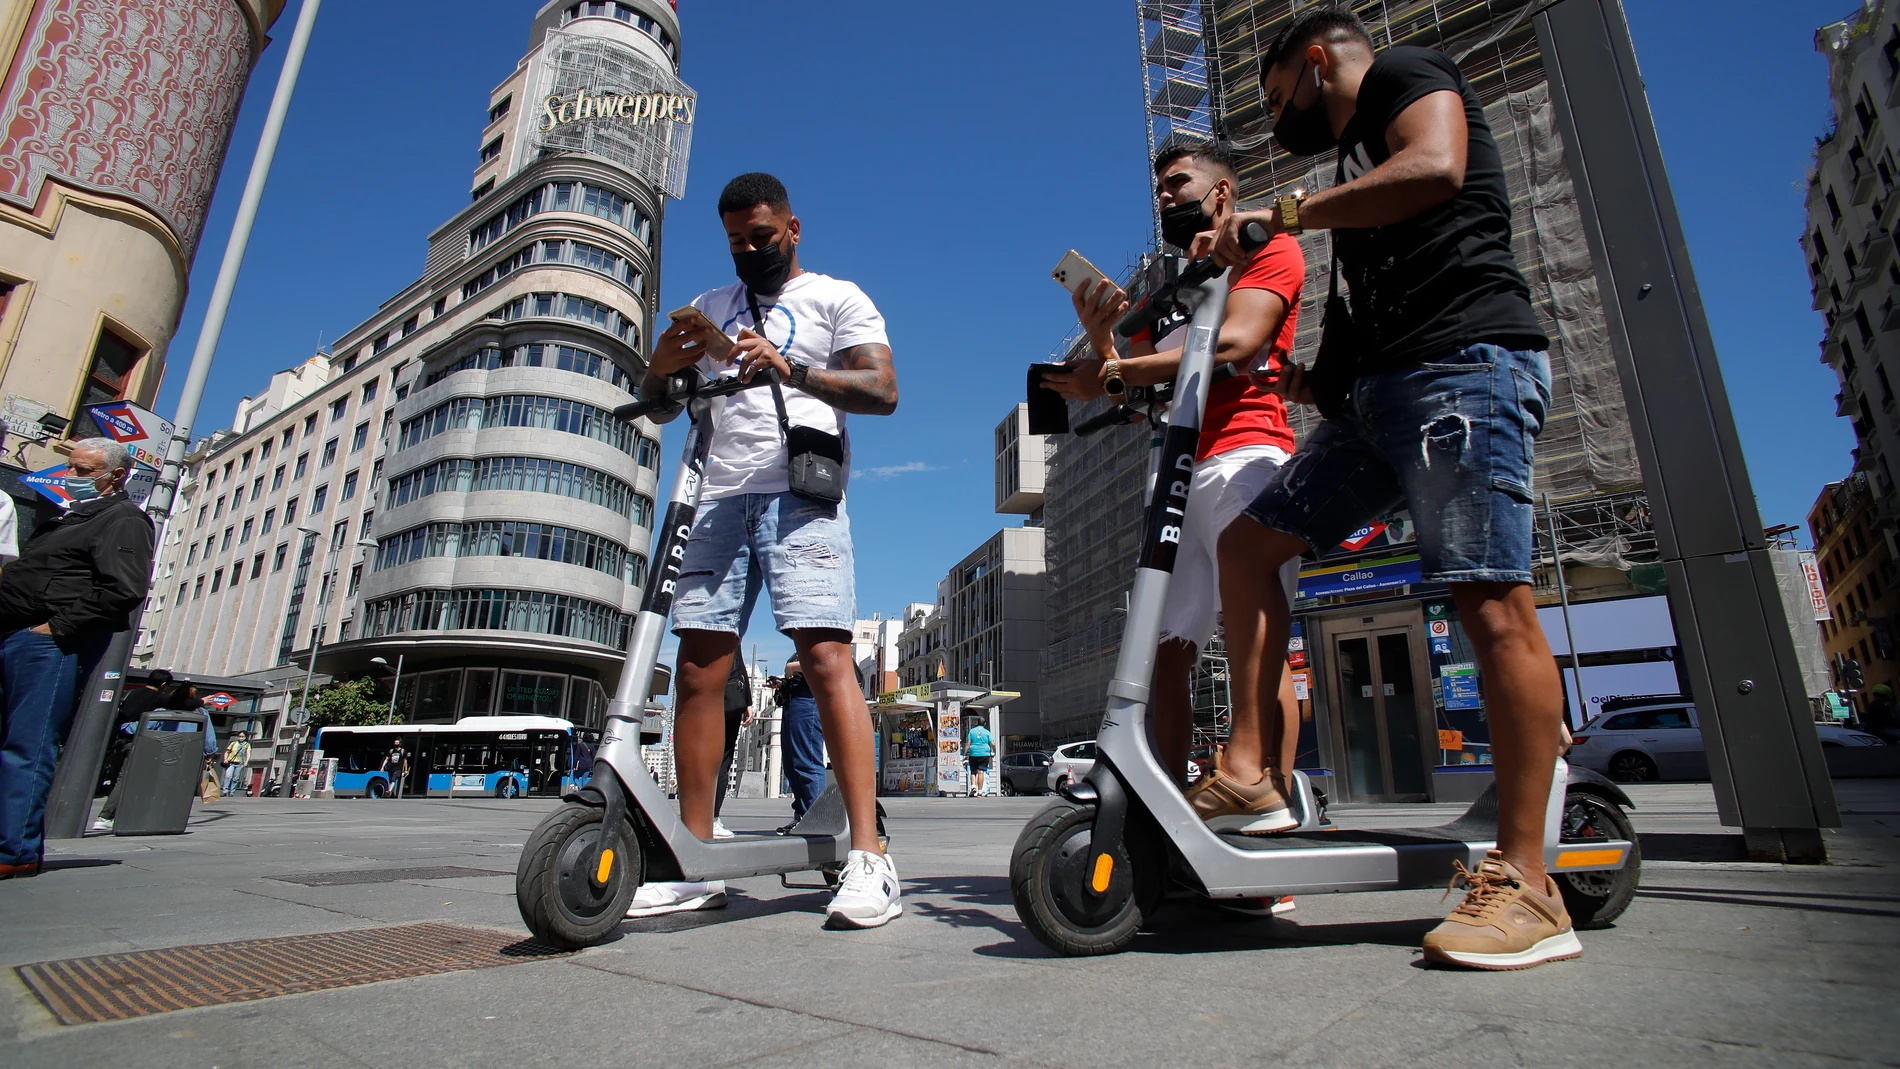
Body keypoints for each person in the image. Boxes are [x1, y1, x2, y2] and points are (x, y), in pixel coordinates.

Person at [1200, 7, 1572, 969]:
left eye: (1281, 100)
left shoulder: (1407, 72)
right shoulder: (1349, 170)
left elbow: (1439, 168)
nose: (1282, 123)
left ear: (1317, 64)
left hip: (1465, 368)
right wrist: (1292, 371)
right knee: (1249, 544)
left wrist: (1281, 215)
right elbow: (1353, 323)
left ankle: (1529, 883)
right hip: (1377, 398)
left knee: (1489, 602)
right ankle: (1250, 771)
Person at [625, 172, 902, 929]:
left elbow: (883, 389)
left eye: (762, 237)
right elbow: (656, 404)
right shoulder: (714, 304)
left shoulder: (837, 298)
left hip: (801, 491)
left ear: (794, 228)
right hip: (716, 493)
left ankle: (869, 856)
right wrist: (661, 363)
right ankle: (696, 854)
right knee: (697, 667)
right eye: (735, 241)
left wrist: (792, 368)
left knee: (824, 656)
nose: (750, 251)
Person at [1045, 139, 1306, 829]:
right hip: (1172, 466)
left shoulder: (1267, 247)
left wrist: (1110, 372)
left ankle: (1269, 798)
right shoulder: (1162, 297)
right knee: (1162, 647)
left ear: (1221, 194)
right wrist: (1104, 342)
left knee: (1255, 637)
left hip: (1245, 453)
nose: (1165, 196)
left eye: (1178, 183)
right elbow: (1135, 397)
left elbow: (1235, 343)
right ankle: (1162, 813)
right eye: (1158, 187)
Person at [0, 438, 153, 877]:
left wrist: (54, 628)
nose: (72, 477)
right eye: (70, 468)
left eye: (84, 471)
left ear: (115, 476)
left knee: (26, 745)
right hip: (18, 635)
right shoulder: (71, 517)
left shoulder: (124, 519)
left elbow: (123, 589)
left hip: (49, 643)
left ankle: (16, 851)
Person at [91, 683, 211, 831]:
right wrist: (209, 753)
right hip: (186, 757)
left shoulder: (161, 711)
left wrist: (122, 726)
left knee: (131, 781)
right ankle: (168, 819)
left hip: (156, 753)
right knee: (177, 786)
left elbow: (139, 727)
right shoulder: (201, 713)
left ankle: (108, 816)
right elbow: (209, 740)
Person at [771, 656, 828, 830]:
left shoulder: (817, 634)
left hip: (808, 699)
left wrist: (792, 667)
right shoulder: (802, 643)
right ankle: (803, 815)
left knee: (807, 761)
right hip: (794, 700)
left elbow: (825, 660)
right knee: (791, 763)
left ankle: (816, 818)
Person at [711, 657, 755, 839]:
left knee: (706, 760)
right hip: (729, 699)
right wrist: (747, 701)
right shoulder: (731, 635)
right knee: (722, 761)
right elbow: (738, 665)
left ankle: (698, 817)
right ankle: (712, 819)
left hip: (702, 695)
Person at [965, 719, 994, 797]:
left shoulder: (972, 731)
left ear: (977, 723)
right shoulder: (987, 732)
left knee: (973, 771)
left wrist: (965, 753)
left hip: (973, 753)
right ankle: (980, 792)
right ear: (984, 724)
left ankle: (973, 786)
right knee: (981, 772)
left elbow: (968, 743)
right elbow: (993, 744)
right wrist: (994, 751)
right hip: (985, 753)